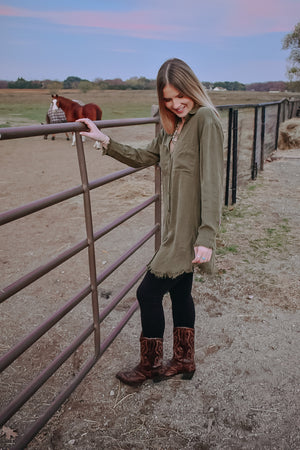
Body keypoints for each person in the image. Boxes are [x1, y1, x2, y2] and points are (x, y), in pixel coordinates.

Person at [77, 58, 224, 387]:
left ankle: (151, 366)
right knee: (182, 293)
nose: (175, 104)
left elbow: (213, 182)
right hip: (173, 229)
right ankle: (185, 360)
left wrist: (206, 236)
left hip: (188, 232)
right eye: (168, 99)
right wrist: (104, 140)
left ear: (192, 87)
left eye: (179, 95)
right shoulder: (172, 127)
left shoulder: (205, 121)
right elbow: (145, 157)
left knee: (148, 293)